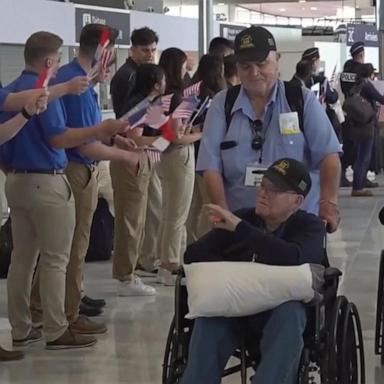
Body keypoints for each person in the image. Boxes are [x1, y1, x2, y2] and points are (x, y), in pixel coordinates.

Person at [0, 31, 129, 350]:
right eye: (57, 61)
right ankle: (56, 329)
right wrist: (101, 130)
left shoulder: (11, 90)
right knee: (56, 259)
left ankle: (21, 328)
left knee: (22, 259)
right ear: (48, 61)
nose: (58, 68)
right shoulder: (44, 94)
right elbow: (58, 137)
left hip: (16, 181)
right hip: (48, 180)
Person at [28, 24, 141, 336]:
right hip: (76, 171)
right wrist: (126, 157)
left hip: (79, 169)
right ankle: (67, 311)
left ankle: (45, 307)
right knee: (72, 248)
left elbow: (92, 129)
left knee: (61, 248)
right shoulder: (74, 84)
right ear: (104, 52)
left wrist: (116, 140)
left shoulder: (79, 82)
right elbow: (80, 141)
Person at [180, 158, 325, 384]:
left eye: (274, 190)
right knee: (211, 315)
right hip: (238, 310)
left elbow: (295, 257)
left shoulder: (310, 226)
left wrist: (241, 231)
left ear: (296, 201)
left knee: (291, 313)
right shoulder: (244, 218)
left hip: (280, 315)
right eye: (263, 185)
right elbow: (194, 254)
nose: (263, 193)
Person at [197, 26, 341, 233]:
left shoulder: (301, 100)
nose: (254, 73)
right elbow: (211, 167)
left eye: (261, 64)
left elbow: (329, 156)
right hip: (240, 225)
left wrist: (328, 203)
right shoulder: (222, 105)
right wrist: (223, 215)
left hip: (296, 225)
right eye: (245, 66)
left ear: (277, 59)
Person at [111, 63, 166, 296]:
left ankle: (128, 272)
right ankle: (126, 276)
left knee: (137, 219)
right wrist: (164, 142)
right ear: (156, 84)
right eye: (163, 80)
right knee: (130, 221)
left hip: (138, 162)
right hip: (130, 163)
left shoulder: (149, 104)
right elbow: (134, 138)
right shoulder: (141, 105)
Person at [157, 48, 202, 284]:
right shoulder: (176, 96)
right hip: (178, 155)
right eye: (185, 65)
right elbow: (177, 137)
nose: (187, 69)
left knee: (168, 212)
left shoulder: (163, 94)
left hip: (164, 157)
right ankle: (170, 263)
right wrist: (199, 134)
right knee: (177, 214)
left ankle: (165, 259)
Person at [186, 54, 227, 243]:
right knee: (207, 204)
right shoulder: (215, 98)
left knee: (192, 206)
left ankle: (192, 243)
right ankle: (204, 244)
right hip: (205, 154)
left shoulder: (191, 91)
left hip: (190, 153)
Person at [339, 41, 377, 188]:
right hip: (362, 115)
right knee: (360, 151)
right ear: (360, 55)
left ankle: (354, 177)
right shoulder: (360, 76)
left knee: (351, 148)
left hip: (350, 114)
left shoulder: (346, 72)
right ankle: (358, 179)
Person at [349, 63, 384, 197]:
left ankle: (359, 184)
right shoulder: (367, 85)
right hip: (366, 125)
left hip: (358, 124)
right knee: (364, 156)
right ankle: (358, 187)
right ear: (369, 74)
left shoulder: (357, 85)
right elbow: (380, 98)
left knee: (361, 155)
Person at [110, 27, 159, 118]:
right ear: (132, 49)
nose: (150, 55)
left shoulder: (141, 73)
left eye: (153, 50)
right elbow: (126, 113)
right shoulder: (128, 75)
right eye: (145, 50)